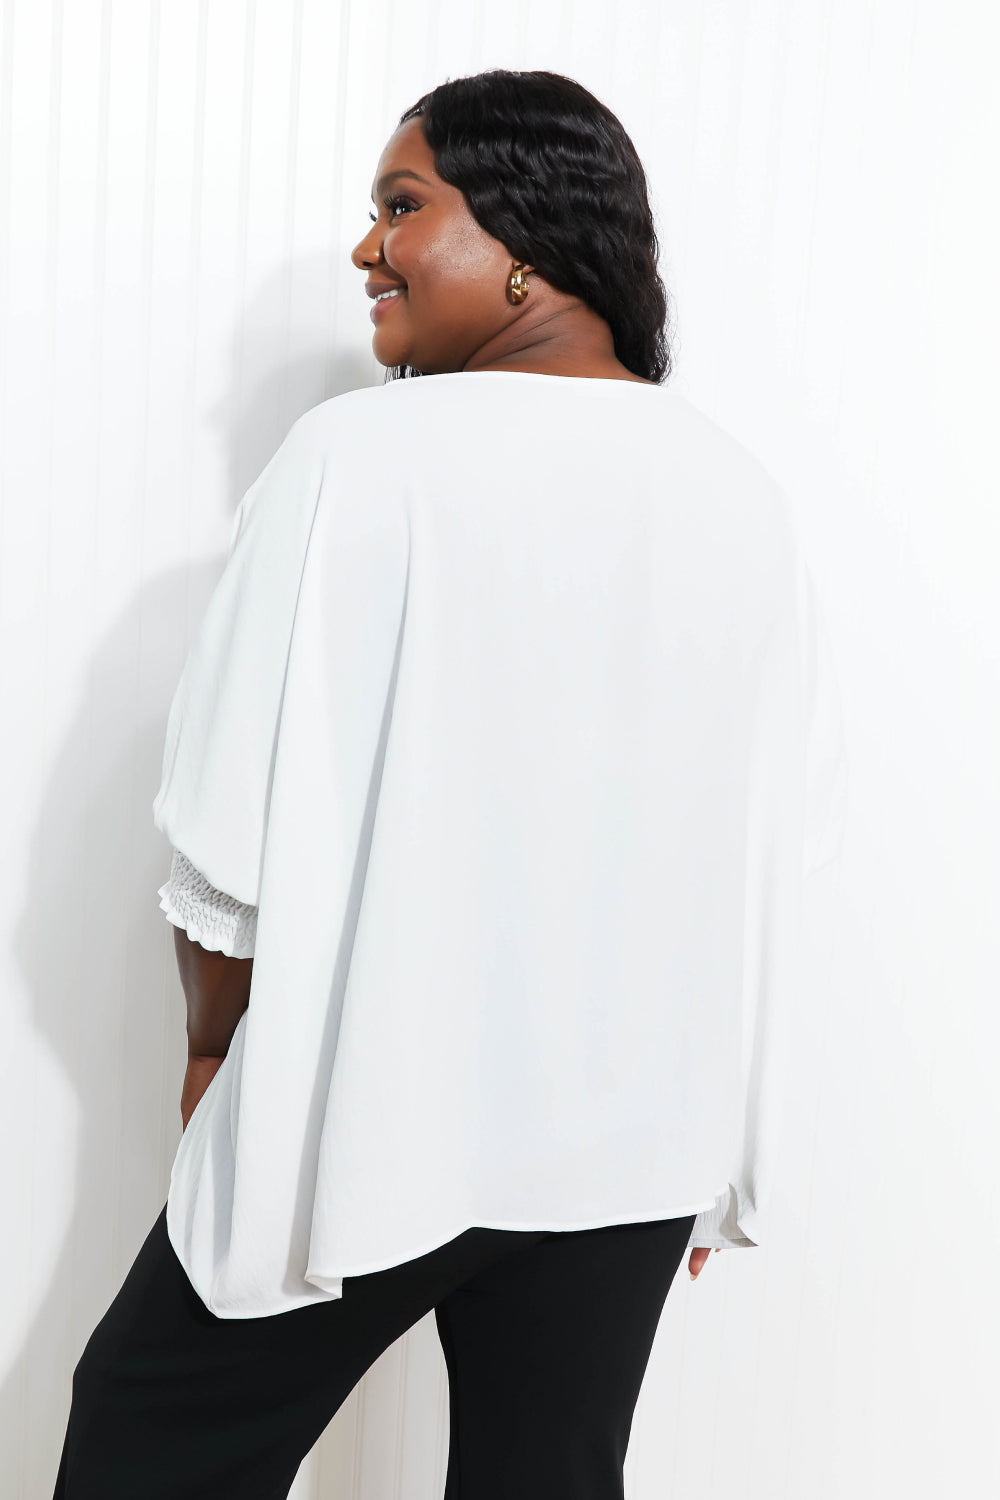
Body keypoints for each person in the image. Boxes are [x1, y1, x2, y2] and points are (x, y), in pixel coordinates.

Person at [52, 68, 847, 1499]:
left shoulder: (357, 459)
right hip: (631, 1137)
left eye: (403, 206)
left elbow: (228, 839)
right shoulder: (746, 497)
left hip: (373, 1103)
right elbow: (767, 856)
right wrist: (715, 1144)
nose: (369, 247)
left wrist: (213, 1051)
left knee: (146, 1443)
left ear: (525, 236)